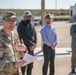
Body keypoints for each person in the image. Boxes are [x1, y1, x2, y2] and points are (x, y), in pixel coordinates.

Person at [17, 11, 37, 75]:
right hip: (24, 49)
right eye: (26, 17)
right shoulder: (20, 25)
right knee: (23, 65)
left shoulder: (32, 25)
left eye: (29, 16)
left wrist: (35, 44)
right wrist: (32, 44)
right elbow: (22, 37)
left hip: (31, 49)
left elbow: (35, 35)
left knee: (30, 65)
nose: (28, 18)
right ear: (23, 17)